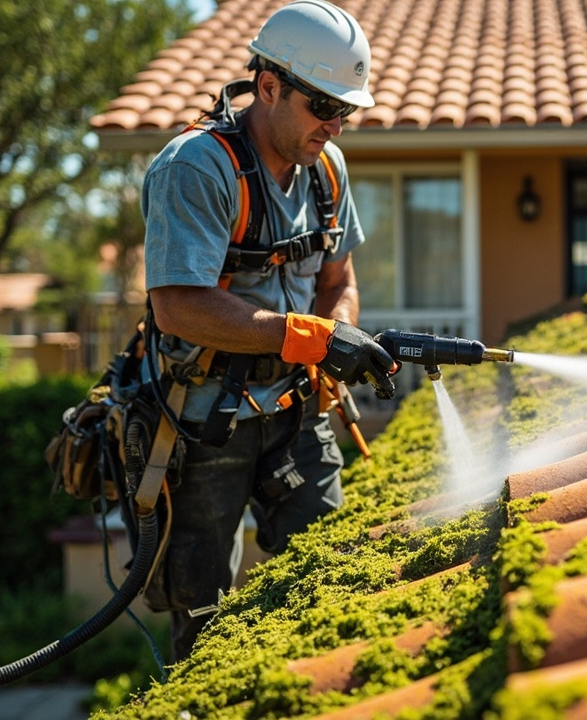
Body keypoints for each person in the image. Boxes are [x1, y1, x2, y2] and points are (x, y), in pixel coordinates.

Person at [136, 0, 396, 661]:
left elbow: (339, 283)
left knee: (333, 579)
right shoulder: (196, 167)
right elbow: (179, 307)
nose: (334, 126)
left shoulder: (328, 172)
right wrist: (313, 338)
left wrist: (337, 335)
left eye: (346, 112)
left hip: (295, 411)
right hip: (201, 421)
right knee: (204, 624)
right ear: (270, 85)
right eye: (322, 106)